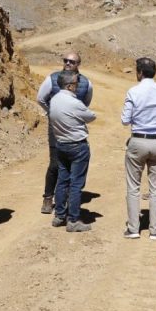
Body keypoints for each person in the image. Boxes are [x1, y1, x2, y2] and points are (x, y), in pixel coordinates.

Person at [121, 57, 156, 240]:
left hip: (138, 140)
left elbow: (125, 120)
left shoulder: (133, 91)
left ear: (139, 72)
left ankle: (134, 229)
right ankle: (154, 230)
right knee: (155, 188)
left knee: (133, 187)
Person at [36, 52, 93, 214]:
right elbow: (40, 98)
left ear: (78, 64)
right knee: (55, 163)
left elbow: (86, 103)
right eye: (66, 60)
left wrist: (75, 114)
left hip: (74, 129)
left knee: (70, 164)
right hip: (56, 127)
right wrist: (54, 113)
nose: (68, 63)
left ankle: (66, 199)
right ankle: (48, 197)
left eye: (72, 61)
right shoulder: (52, 78)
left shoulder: (86, 83)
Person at [48, 71, 96, 232]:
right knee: (76, 184)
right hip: (77, 146)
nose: (77, 86)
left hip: (61, 144)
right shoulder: (73, 102)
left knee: (62, 180)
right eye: (75, 84)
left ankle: (59, 215)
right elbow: (91, 116)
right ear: (69, 86)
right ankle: (73, 219)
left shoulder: (54, 100)